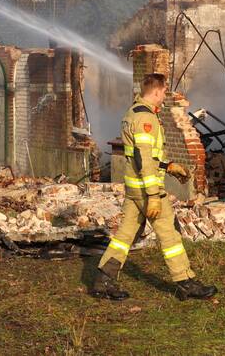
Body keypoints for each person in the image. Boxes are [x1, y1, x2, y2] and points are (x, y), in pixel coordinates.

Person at [90, 73, 218, 301]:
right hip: (147, 190)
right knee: (170, 236)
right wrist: (154, 196)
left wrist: (168, 166)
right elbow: (144, 159)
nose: (164, 98)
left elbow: (144, 155)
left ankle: (103, 281)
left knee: (125, 235)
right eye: (163, 93)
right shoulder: (145, 119)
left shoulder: (134, 113)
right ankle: (185, 282)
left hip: (135, 189)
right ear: (157, 91)